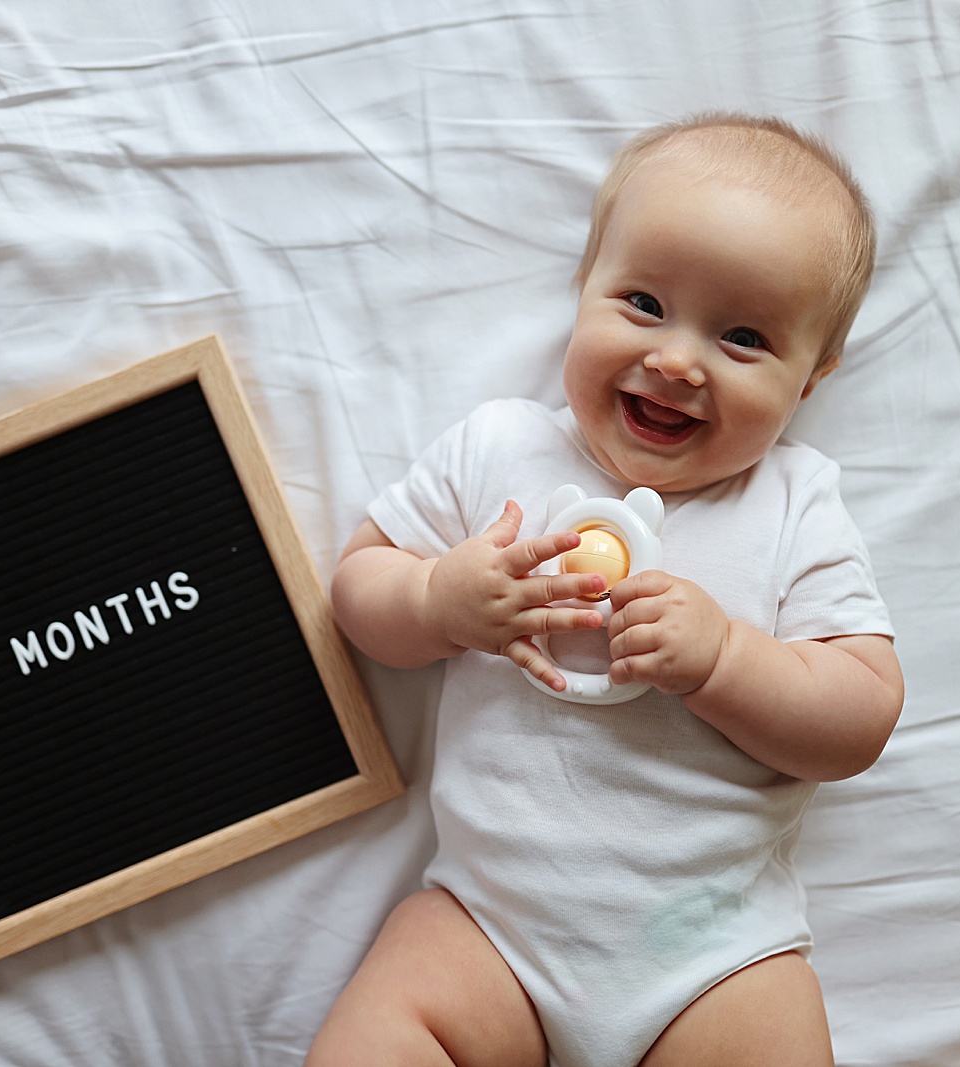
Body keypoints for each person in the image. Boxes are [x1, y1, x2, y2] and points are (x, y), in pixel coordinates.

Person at [307, 112, 904, 1067]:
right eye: (642, 303)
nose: (676, 359)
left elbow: (862, 714)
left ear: (811, 380)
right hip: (489, 928)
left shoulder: (795, 502)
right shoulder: (500, 446)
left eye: (743, 337)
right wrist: (437, 604)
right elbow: (355, 592)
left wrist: (724, 658)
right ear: (582, 287)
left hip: (712, 951)